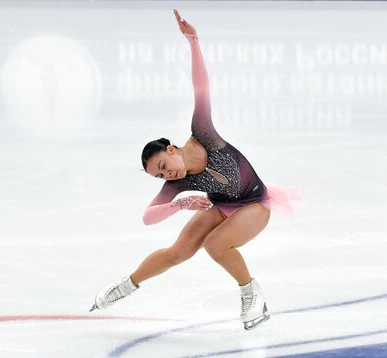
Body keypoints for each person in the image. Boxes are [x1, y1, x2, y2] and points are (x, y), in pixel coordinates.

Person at [90, 9, 303, 330]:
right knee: (179, 252)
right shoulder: (179, 185)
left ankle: (252, 294)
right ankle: (125, 286)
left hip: (255, 203)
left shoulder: (202, 132)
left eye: (163, 166)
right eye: (159, 176)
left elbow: (200, 87)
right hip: (224, 205)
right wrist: (178, 204)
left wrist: (193, 41)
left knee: (216, 246)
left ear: (171, 149)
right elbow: (148, 217)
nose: (166, 175)